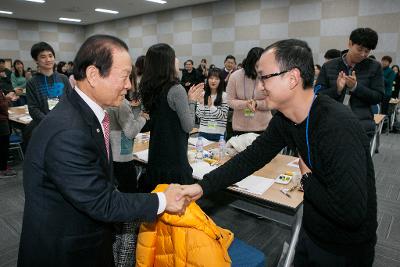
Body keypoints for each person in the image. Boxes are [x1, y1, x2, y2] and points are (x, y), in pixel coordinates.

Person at [180, 39, 377, 266]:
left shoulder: (338, 126)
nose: (260, 86)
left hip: (345, 249)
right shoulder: (285, 120)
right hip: (312, 232)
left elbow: (351, 212)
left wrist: (306, 178)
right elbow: (250, 158)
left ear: (292, 78)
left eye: (264, 77)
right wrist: (201, 187)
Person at [17, 35, 189, 267]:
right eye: (124, 76)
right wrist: (161, 200)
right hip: (65, 251)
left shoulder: (87, 113)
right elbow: (102, 202)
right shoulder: (68, 131)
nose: (129, 85)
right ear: (93, 75)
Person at [139, 43, 204, 192]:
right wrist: (192, 101)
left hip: (156, 157)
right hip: (175, 159)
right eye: (174, 57)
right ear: (167, 62)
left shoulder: (149, 88)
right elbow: (188, 126)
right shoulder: (176, 89)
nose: (178, 60)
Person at [316, 27, 384, 140]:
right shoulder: (329, 66)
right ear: (350, 43)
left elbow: (378, 97)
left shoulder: (375, 67)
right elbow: (317, 95)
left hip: (360, 126)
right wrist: (337, 90)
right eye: (360, 49)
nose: (363, 54)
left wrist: (356, 87)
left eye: (367, 51)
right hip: (330, 124)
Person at [226, 47, 272, 136]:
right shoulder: (235, 76)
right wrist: (246, 104)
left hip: (264, 126)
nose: (260, 69)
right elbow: (230, 101)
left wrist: (257, 103)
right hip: (240, 127)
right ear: (250, 63)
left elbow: (272, 101)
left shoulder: (268, 76)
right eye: (257, 66)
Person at [26, 42, 73, 127]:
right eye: (43, 57)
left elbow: (71, 101)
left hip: (64, 123)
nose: (48, 59)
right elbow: (33, 108)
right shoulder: (32, 83)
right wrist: (49, 122)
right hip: (44, 126)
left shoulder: (63, 78)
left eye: (50, 56)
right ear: (36, 60)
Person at [196, 68, 229, 141]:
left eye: (216, 79)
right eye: (211, 78)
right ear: (207, 80)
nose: (213, 81)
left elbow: (223, 116)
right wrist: (201, 104)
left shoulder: (225, 96)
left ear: (221, 81)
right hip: (203, 132)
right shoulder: (202, 95)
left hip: (219, 133)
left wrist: (211, 107)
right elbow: (199, 115)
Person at [0, 90, 18, 178]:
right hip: (1, 122)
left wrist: (6, 98)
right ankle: (3, 170)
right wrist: (9, 99)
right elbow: (2, 105)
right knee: (3, 146)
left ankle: (4, 166)